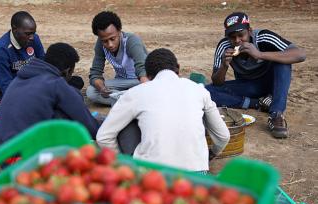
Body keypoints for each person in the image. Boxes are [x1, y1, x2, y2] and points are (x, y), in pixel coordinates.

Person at [96, 48, 230, 172]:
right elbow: (223, 136)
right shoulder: (199, 90)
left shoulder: (136, 93)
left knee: (126, 122)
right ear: (178, 68)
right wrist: (211, 154)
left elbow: (103, 137)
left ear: (148, 76)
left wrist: (122, 165)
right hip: (196, 175)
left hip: (151, 177)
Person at [205, 12, 306, 138]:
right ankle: (257, 103)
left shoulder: (264, 37)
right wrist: (224, 66)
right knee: (206, 91)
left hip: (273, 83)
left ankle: (276, 114)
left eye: (241, 35)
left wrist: (259, 54)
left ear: (250, 31)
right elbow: (217, 83)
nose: (237, 41)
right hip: (249, 87)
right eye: (232, 37)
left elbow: (300, 54)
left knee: (284, 62)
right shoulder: (224, 46)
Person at [0, 43, 99, 149]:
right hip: (24, 157)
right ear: (67, 71)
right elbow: (88, 124)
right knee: (67, 113)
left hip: (2, 154)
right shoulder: (56, 84)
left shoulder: (19, 79)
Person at [86, 11, 148, 105]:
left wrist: (147, 88)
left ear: (119, 31)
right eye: (105, 41)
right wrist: (102, 88)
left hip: (141, 80)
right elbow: (95, 73)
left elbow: (142, 68)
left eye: (112, 39)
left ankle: (124, 99)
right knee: (91, 91)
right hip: (122, 81)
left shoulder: (131, 41)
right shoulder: (100, 44)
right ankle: (132, 99)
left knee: (149, 88)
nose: (110, 45)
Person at [0, 11, 45, 103]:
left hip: (30, 83)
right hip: (10, 88)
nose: (32, 37)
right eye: (27, 33)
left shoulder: (34, 39)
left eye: (33, 33)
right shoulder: (0, 50)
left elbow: (44, 65)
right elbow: (5, 85)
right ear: (15, 30)